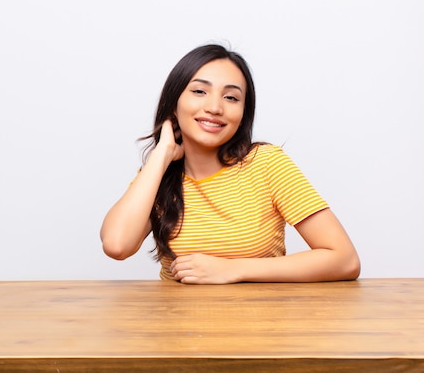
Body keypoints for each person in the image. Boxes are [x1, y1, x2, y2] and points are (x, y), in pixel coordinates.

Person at [100, 43, 360, 284]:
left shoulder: (267, 164)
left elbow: (344, 259)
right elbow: (117, 245)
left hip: (259, 327)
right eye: (199, 91)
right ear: (174, 103)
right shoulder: (158, 175)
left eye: (231, 98)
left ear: (243, 113)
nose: (214, 107)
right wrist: (161, 154)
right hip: (176, 329)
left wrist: (232, 269)